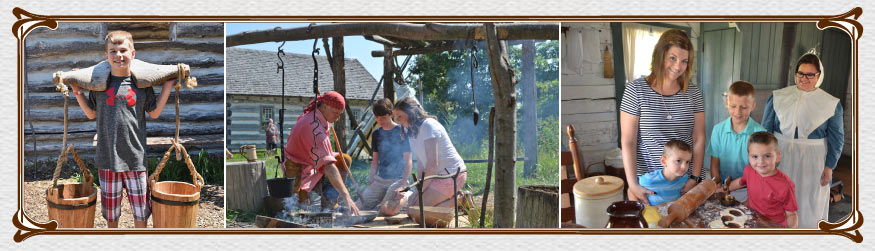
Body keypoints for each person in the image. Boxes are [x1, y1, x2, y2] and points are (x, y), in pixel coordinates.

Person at [69, 30, 176, 228]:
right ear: (106, 56)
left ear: (132, 54)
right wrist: (77, 91)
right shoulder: (99, 85)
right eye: (113, 51)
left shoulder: (142, 84)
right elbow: (91, 113)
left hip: (135, 158)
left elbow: (154, 112)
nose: (118, 55)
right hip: (107, 158)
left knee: (141, 213)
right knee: (111, 216)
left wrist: (168, 86)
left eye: (123, 50)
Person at [619, 29, 706, 206]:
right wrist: (633, 184)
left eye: (684, 61)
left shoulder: (693, 92)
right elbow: (628, 141)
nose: (678, 66)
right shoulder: (635, 90)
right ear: (660, 55)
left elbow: (699, 138)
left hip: (686, 181)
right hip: (650, 185)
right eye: (672, 58)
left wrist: (695, 177)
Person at [762, 52, 843, 228]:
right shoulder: (778, 97)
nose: (804, 78)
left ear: (818, 76)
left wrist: (829, 167)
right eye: (801, 73)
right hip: (781, 156)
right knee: (779, 197)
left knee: (808, 201)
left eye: (810, 75)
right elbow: (766, 132)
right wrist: (765, 157)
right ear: (795, 73)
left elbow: (837, 139)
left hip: (813, 160)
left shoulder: (831, 103)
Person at [282, 91, 360, 216]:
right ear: (324, 107)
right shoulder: (314, 128)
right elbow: (329, 166)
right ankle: (300, 198)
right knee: (297, 207)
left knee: (343, 160)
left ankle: (329, 204)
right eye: (336, 113)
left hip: (311, 162)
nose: (338, 118)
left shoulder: (317, 117)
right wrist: (347, 196)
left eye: (340, 114)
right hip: (296, 167)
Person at [392, 97, 466, 211]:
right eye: (395, 116)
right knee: (411, 207)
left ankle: (461, 199)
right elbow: (422, 163)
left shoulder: (428, 126)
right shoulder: (412, 131)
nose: (397, 120)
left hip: (452, 175)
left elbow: (432, 164)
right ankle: (451, 200)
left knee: (417, 211)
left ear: (410, 113)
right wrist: (418, 190)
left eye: (399, 116)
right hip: (435, 176)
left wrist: (421, 191)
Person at [707, 80, 766, 203]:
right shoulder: (718, 130)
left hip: (749, 190)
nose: (738, 112)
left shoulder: (760, 134)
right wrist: (716, 184)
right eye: (733, 106)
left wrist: (731, 187)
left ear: (753, 106)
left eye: (744, 107)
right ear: (727, 102)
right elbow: (714, 164)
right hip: (722, 187)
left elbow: (759, 171)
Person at [725, 131, 798, 228]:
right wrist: (725, 189)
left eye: (767, 156)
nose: (761, 162)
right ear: (748, 157)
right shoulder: (749, 170)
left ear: (777, 157)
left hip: (773, 228)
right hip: (752, 220)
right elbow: (740, 182)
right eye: (755, 157)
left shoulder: (785, 185)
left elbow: (791, 214)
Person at [355, 98, 413, 216]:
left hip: (399, 180)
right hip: (380, 180)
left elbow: (408, 161)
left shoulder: (403, 131)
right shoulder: (376, 134)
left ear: (391, 114)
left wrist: (402, 183)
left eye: (382, 117)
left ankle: (409, 192)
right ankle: (382, 200)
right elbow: (375, 162)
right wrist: (371, 179)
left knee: (386, 210)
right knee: (357, 207)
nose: (379, 120)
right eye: (376, 117)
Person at [638, 140, 692, 206]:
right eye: (678, 161)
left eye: (687, 162)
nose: (684, 167)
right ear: (663, 161)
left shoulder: (685, 178)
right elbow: (631, 191)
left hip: (673, 214)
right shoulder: (648, 180)